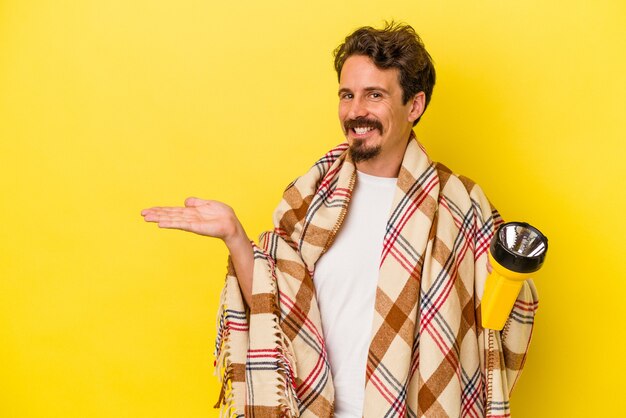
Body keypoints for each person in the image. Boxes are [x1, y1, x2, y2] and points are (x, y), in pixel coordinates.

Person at [142, 22, 538, 418]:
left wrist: (509, 276)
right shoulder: (313, 196)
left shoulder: (459, 204)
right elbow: (273, 304)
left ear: (414, 106)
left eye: (375, 95)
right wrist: (234, 235)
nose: (355, 111)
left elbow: (499, 320)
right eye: (347, 95)